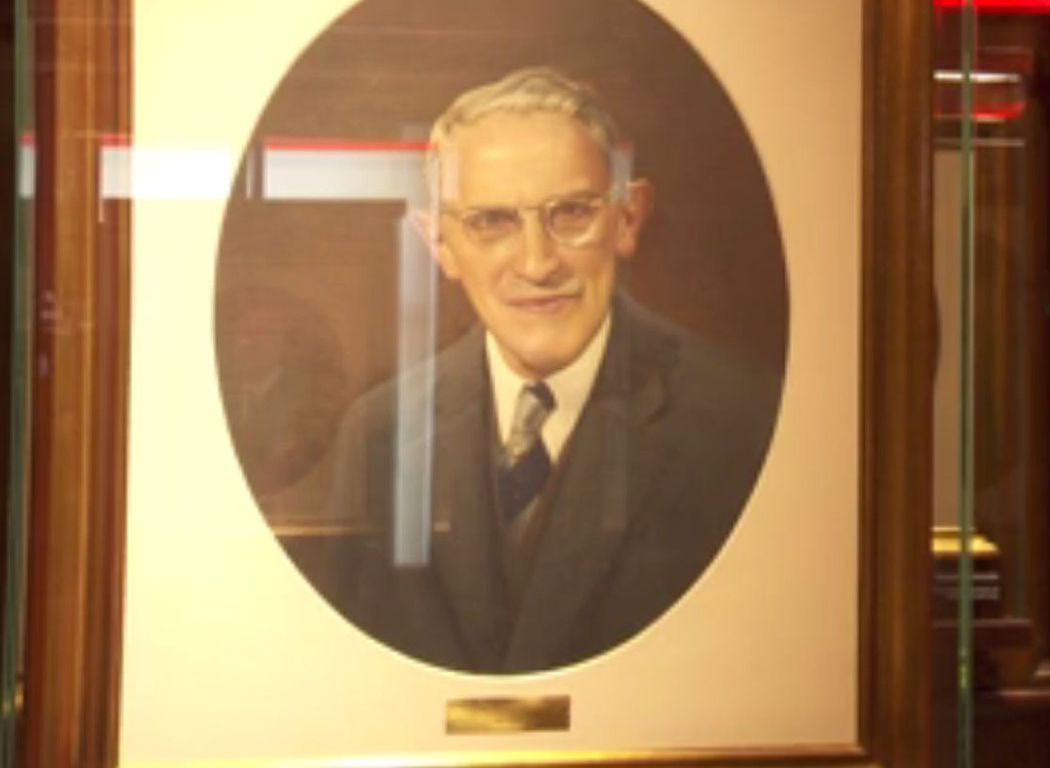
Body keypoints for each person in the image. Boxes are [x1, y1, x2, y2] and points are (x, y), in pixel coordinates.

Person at [302, 67, 780, 674]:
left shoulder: (741, 424)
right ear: (439, 242)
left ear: (627, 218)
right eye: (492, 222)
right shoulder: (379, 434)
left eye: (571, 212)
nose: (536, 263)